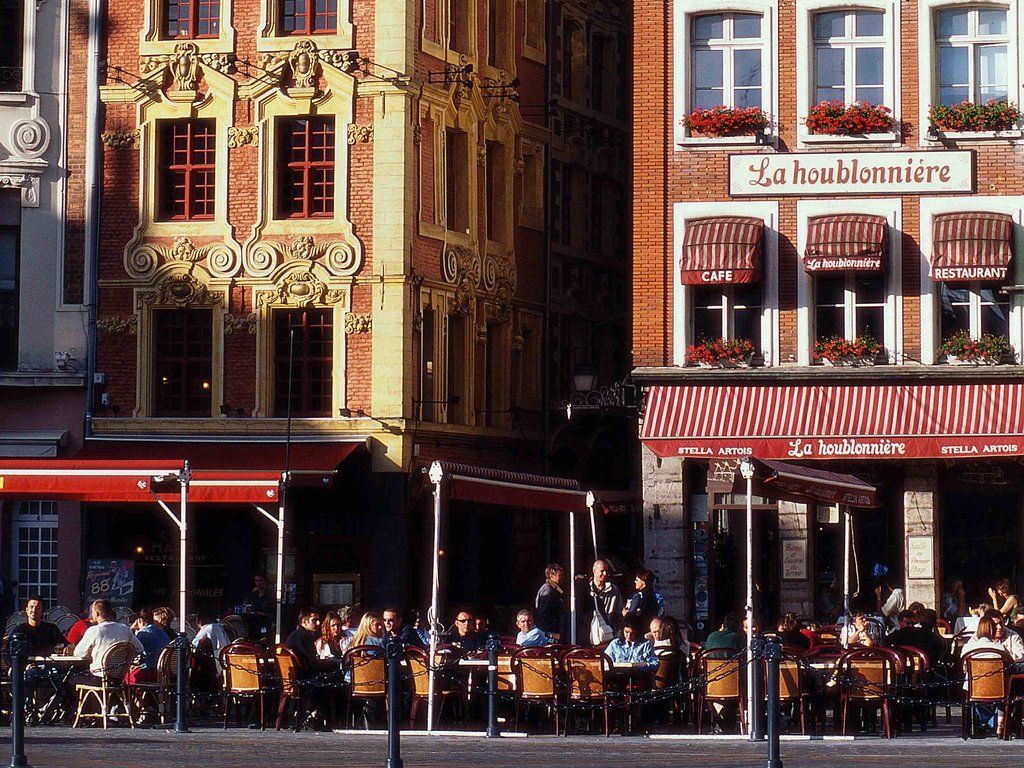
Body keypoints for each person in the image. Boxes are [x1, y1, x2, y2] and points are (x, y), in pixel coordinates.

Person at [73, 600, 145, 682]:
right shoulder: (125, 629)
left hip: (98, 677)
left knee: (71, 679)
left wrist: (92, 653)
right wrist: (125, 658)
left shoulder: (94, 630)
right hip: (119, 678)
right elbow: (140, 648)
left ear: (97, 613)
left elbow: (78, 653)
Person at [128, 607, 172, 684]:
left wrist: (132, 628)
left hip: (152, 671)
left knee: (127, 677)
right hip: (165, 670)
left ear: (139, 620)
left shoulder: (142, 633)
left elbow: (131, 651)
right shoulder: (161, 631)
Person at [192, 609, 232, 689]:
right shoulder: (219, 627)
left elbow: (193, 647)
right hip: (224, 662)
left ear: (199, 620)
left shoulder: (207, 629)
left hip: (209, 667)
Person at [588, 559, 623, 645]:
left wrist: (614, 630)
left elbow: (619, 612)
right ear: (594, 571)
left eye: (606, 571)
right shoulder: (586, 589)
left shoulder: (614, 590)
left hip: (608, 635)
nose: (604, 574)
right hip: (589, 634)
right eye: (602, 571)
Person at [535, 564, 565, 639]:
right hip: (548, 632)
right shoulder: (548, 590)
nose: (563, 577)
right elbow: (543, 612)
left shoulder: (554, 590)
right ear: (552, 576)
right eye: (560, 575)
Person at [240, 573, 274, 639]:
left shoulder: (270, 596)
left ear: (265, 581)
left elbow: (273, 612)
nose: (258, 583)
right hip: (252, 624)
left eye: (260, 580)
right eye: (256, 581)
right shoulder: (252, 595)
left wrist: (263, 614)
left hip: (265, 623)